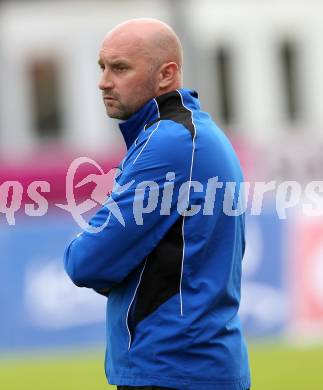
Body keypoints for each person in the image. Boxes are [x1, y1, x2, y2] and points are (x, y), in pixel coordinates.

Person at [64, 18, 251, 390]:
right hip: (191, 364)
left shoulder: (169, 143)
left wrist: (112, 263)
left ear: (166, 75)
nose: (103, 81)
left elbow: (85, 261)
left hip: (172, 367)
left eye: (120, 68)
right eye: (102, 67)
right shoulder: (190, 133)